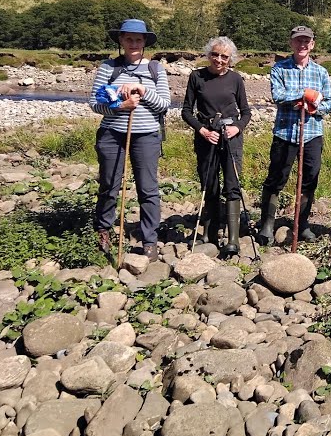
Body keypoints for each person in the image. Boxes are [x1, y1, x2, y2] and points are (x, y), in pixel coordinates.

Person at [90, 19, 171, 258]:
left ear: (144, 42)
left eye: (138, 39)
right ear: (121, 41)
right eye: (128, 39)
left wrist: (143, 91)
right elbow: (95, 104)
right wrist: (122, 106)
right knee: (109, 185)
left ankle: (149, 240)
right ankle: (103, 230)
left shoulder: (155, 69)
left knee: (148, 189)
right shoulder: (108, 67)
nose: (133, 43)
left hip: (146, 136)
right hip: (112, 135)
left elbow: (164, 105)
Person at [256, 25, 331, 245]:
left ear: (312, 44)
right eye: (298, 41)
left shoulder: (321, 72)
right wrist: (305, 94)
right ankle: (267, 225)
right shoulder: (279, 69)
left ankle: (301, 225)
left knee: (310, 180)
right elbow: (278, 96)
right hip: (285, 134)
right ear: (291, 43)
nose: (302, 45)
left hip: (312, 134)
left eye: (306, 41)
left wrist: (314, 107)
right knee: (276, 179)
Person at [181, 36, 252, 256]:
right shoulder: (196, 77)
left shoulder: (236, 79)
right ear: (208, 55)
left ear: (231, 59)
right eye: (215, 54)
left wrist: (237, 128)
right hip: (206, 138)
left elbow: (246, 112)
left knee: (232, 185)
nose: (218, 59)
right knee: (209, 185)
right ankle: (209, 234)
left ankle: (233, 240)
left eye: (224, 56)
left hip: (231, 138)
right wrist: (202, 130)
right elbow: (186, 111)